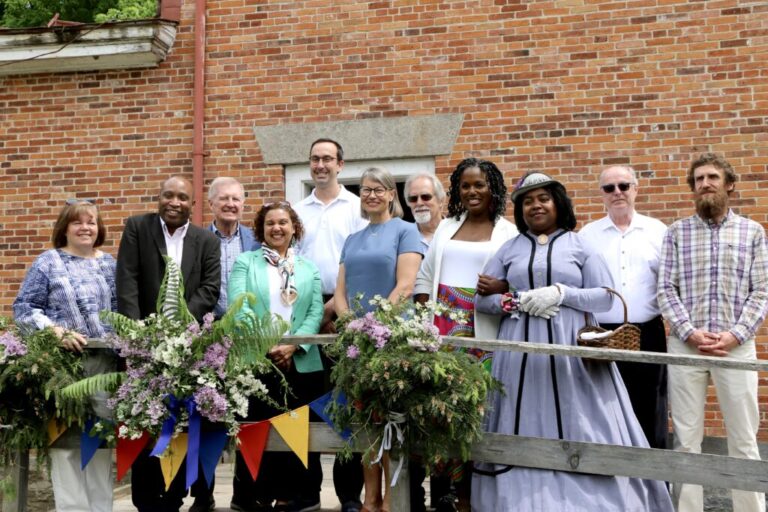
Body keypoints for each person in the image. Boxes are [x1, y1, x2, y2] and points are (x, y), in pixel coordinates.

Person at [472, 172, 673, 511]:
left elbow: (605, 297)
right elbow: (482, 300)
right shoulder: (509, 249)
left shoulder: (581, 246)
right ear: (519, 210)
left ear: (558, 203)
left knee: (585, 420)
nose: (536, 206)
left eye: (544, 199)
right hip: (521, 357)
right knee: (521, 417)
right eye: (527, 201)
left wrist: (562, 293)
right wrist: (516, 300)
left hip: (573, 356)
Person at [657, 153, 768, 512]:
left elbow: (761, 291)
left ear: (729, 184)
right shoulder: (676, 233)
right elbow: (665, 289)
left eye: (712, 177)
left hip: (736, 347)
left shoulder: (752, 232)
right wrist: (689, 332)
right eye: (698, 179)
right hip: (686, 346)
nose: (705, 184)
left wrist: (736, 334)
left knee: (744, 439)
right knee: (686, 440)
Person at [412, 158, 517, 511]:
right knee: (442, 411)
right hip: (441, 330)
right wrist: (424, 319)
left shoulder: (508, 232)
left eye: (480, 185)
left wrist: (503, 286)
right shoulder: (446, 227)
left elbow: (519, 280)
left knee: (478, 412)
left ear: (493, 189)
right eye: (466, 185)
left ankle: (474, 497)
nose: (472, 191)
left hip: (482, 330)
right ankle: (447, 495)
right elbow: (425, 276)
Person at [116, 176, 221, 512]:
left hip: (186, 347)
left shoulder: (206, 240)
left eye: (182, 197)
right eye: (168, 195)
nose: (174, 202)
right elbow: (127, 280)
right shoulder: (137, 227)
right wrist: (137, 334)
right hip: (144, 346)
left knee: (180, 422)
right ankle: (145, 499)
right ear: (158, 197)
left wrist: (180, 326)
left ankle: (174, 495)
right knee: (145, 420)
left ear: (193, 204)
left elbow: (209, 288)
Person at [13, 200, 116, 512]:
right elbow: (24, 309)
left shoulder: (110, 264)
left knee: (99, 442)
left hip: (104, 367)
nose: (85, 228)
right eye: (77, 222)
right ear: (65, 228)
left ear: (99, 228)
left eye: (91, 222)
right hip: (62, 368)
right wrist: (55, 331)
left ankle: (101, 508)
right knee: (66, 444)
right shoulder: (48, 262)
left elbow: (122, 310)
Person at [335, 167, 424, 512]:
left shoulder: (406, 230)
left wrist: (375, 326)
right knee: (363, 421)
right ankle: (370, 498)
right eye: (365, 189)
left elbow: (405, 285)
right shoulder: (352, 239)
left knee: (389, 420)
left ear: (391, 194)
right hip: (356, 343)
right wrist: (350, 324)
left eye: (378, 189)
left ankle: (390, 499)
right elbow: (340, 292)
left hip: (391, 338)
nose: (371, 195)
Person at [228, 201, 324, 512]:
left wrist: (294, 345)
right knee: (256, 428)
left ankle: (295, 495)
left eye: (283, 222)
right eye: (270, 223)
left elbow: (315, 311)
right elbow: (238, 305)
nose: (277, 228)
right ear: (261, 229)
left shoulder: (308, 267)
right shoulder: (246, 262)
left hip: (299, 360)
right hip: (256, 357)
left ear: (294, 228)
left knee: (297, 430)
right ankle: (253, 496)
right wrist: (267, 343)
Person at [293, 138, 367, 512]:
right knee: (304, 400)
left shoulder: (356, 208)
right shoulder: (295, 210)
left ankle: (349, 494)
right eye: (315, 159)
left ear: (341, 164)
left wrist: (334, 309)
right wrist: (311, 313)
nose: (320, 165)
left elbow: (360, 262)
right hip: (303, 314)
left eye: (327, 159)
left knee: (345, 400)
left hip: (345, 310)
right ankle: (307, 493)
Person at [579, 165, 669, 449]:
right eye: (609, 188)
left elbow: (669, 283)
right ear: (601, 194)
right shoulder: (588, 235)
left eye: (623, 186)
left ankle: (653, 471)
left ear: (635, 189)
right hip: (602, 334)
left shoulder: (658, 231)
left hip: (648, 333)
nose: (617, 192)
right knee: (603, 406)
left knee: (650, 404)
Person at [208, 176, 260, 319]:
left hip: (249, 323)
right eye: (224, 198)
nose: (230, 204)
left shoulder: (257, 242)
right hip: (210, 326)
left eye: (236, 199)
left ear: (242, 205)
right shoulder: (198, 241)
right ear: (211, 204)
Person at [403, 171, 446, 251]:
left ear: (441, 200)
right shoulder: (402, 239)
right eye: (413, 198)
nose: (419, 203)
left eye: (425, 197)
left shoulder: (456, 232)